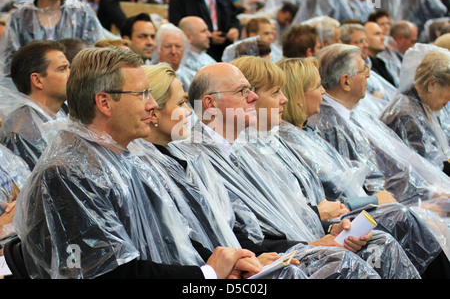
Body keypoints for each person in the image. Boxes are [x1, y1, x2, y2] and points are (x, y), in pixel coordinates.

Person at [12, 46, 263, 279]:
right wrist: (207, 274)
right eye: (142, 94)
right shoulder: (69, 172)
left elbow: (172, 237)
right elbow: (108, 272)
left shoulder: (128, 157)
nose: (153, 105)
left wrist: (229, 263)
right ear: (104, 103)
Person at [168, 61, 421, 279]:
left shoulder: (245, 148)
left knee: (382, 241)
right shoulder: (197, 159)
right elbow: (239, 235)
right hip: (259, 258)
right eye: (243, 91)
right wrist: (308, 244)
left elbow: (286, 213)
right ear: (210, 104)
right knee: (346, 262)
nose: (253, 98)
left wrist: (330, 230)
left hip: (299, 242)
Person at [275, 56, 450, 277]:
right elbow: (324, 201)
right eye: (316, 86)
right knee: (402, 219)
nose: (322, 91)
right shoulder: (309, 134)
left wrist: (422, 196)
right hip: (332, 223)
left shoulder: (308, 132)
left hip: (342, 217)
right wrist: (375, 200)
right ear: (298, 96)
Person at [131, 63, 307, 279]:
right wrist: (220, 268)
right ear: (153, 112)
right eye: (181, 103)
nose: (188, 111)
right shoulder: (156, 164)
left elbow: (227, 223)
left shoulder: (184, 157)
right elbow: (179, 240)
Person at [308, 44, 450, 212]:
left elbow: (396, 165)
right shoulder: (329, 127)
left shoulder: (357, 114)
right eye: (363, 70)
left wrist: (430, 193)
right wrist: (418, 205)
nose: (369, 74)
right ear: (346, 81)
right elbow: (362, 189)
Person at [0, 0, 111, 77]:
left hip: (77, 86)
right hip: (32, 90)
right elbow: (8, 64)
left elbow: (97, 55)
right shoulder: (19, 19)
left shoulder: (82, 13)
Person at [380, 44, 450, 175]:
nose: (448, 100)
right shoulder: (406, 114)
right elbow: (424, 168)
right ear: (432, 84)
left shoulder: (422, 104)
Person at [0, 40, 70, 170]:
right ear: (37, 80)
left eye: (68, 67)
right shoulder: (21, 134)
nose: (70, 74)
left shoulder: (63, 112)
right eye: (62, 69)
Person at [168, 0, 241, 62]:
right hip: (194, 55)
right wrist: (208, 37)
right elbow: (177, 24)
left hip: (222, 51)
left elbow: (233, 16)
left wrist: (235, 28)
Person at [151, 23, 194, 92]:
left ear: (184, 49)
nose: (173, 52)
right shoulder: (149, 76)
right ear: (158, 49)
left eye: (178, 46)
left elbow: (198, 102)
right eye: (168, 46)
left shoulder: (193, 78)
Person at [178, 16, 216, 88]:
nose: (209, 35)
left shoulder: (208, 58)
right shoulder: (180, 63)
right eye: (203, 31)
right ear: (188, 37)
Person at [364, 21, 400, 88]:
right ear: (364, 39)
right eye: (377, 34)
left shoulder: (382, 63)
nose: (383, 38)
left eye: (382, 34)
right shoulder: (364, 67)